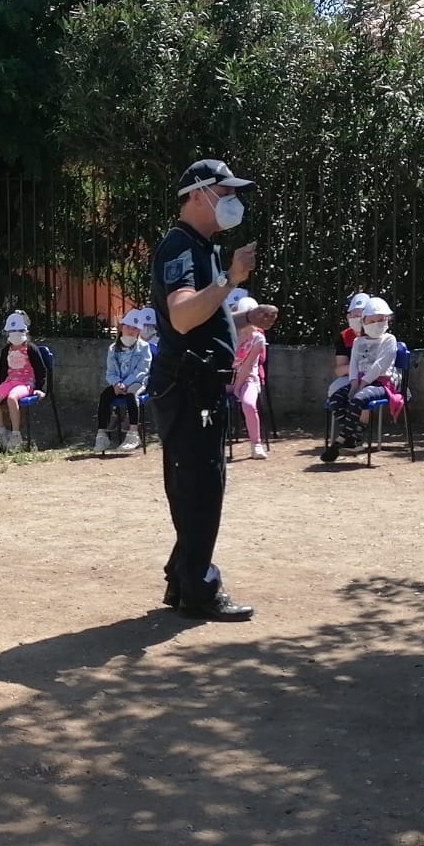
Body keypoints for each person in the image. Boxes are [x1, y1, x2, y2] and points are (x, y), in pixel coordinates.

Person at [149, 158, 257, 622]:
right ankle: (199, 590)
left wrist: (243, 319)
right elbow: (181, 316)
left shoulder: (201, 247)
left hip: (196, 385)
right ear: (197, 195)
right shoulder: (181, 247)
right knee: (200, 487)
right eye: (225, 192)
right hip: (189, 387)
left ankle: (183, 577)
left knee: (196, 484)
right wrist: (230, 279)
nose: (233, 201)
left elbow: (200, 321)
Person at [326, 296, 400, 451]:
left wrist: (363, 384)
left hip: (381, 382)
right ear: (364, 322)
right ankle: (352, 434)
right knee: (336, 399)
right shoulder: (357, 342)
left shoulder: (389, 340)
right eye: (372, 321)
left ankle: (348, 436)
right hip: (359, 381)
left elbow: (380, 365)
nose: (376, 324)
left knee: (359, 398)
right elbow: (353, 363)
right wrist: (354, 382)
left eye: (380, 320)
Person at [0, 309, 50, 451]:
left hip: (26, 383)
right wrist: (1, 389)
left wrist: (39, 388)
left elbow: (41, 371)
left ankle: (16, 434)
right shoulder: (6, 350)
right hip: (9, 382)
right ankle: (2, 432)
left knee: (12, 398)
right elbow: (3, 371)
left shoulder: (31, 349)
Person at [95, 309, 153, 453]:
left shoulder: (144, 348)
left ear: (139, 331)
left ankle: (133, 433)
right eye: (128, 327)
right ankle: (102, 434)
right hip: (118, 384)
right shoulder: (113, 349)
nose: (131, 331)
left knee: (131, 396)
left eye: (135, 328)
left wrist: (126, 384)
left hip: (137, 383)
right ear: (122, 328)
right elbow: (111, 371)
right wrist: (116, 383)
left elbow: (142, 370)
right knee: (105, 396)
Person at [232, 303, 276, 459]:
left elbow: (248, 365)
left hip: (247, 379)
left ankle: (256, 444)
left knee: (249, 404)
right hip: (225, 377)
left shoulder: (258, 339)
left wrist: (237, 387)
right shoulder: (230, 335)